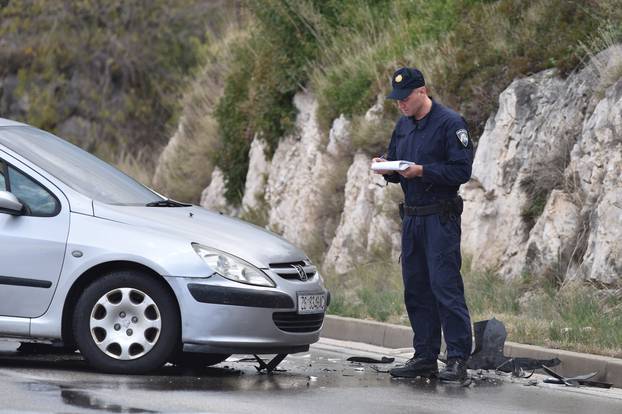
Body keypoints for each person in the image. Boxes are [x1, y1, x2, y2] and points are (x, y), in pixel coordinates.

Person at [372, 67, 473, 382]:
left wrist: (423, 171)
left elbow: (461, 171)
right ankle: (424, 356)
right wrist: (385, 167)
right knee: (416, 288)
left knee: (445, 286)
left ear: (422, 92)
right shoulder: (403, 126)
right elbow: (396, 162)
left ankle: (456, 358)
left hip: (440, 217)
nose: (400, 104)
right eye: (396, 99)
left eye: (405, 98)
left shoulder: (450, 123)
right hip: (412, 217)